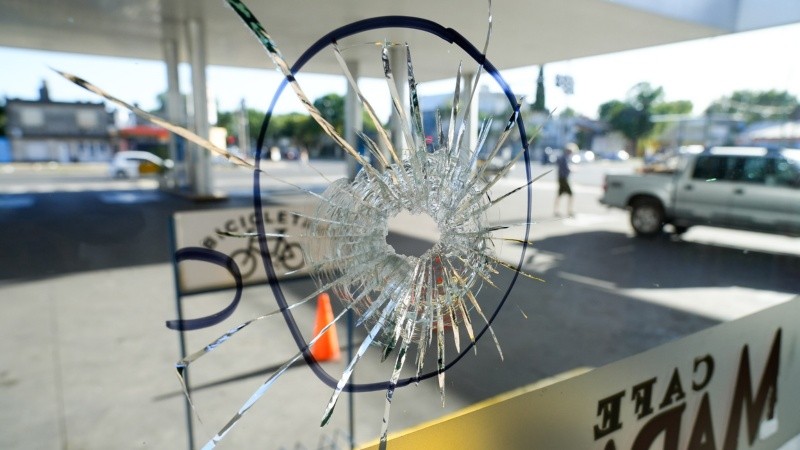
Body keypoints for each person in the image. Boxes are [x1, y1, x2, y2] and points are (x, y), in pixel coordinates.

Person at [554, 143, 577, 217]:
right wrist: (573, 170)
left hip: (561, 178)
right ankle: (569, 211)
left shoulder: (561, 157)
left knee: (559, 194)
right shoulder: (564, 158)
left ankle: (556, 210)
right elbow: (567, 168)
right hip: (564, 178)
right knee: (571, 194)